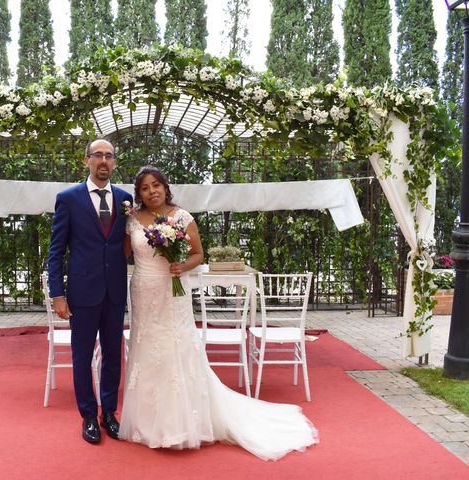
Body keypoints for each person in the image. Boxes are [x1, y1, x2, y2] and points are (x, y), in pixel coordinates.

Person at [118, 166, 318, 460]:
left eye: (156, 185)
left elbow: (198, 254)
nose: (152, 191)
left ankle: (184, 423)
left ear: (165, 187)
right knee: (146, 348)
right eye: (145, 188)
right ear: (139, 194)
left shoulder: (182, 216)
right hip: (143, 291)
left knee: (177, 348)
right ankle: (148, 423)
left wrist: (181, 266)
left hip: (174, 293)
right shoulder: (132, 220)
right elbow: (121, 253)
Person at [47, 139, 133, 444]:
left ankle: (109, 413)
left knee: (113, 356)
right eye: (98, 155)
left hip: (114, 292)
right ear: (87, 161)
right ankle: (87, 416)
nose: (104, 161)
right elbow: (56, 251)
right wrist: (57, 294)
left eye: (109, 156)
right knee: (82, 357)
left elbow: (125, 242)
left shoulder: (125, 199)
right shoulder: (68, 199)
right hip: (82, 293)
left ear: (114, 163)